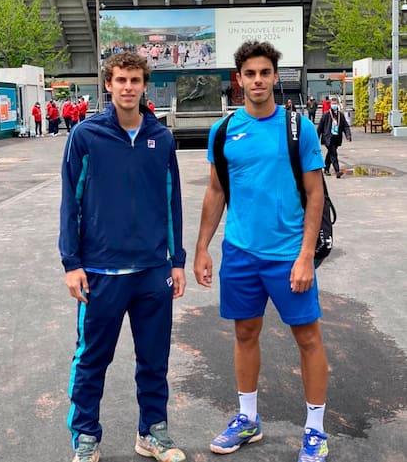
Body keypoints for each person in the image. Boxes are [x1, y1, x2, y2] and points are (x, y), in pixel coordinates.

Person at [194, 40, 329, 462]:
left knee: (307, 338)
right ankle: (248, 419)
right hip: (240, 254)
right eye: (249, 73)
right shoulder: (223, 131)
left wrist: (305, 254)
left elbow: (315, 194)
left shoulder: (298, 128)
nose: (257, 80)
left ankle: (315, 430)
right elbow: (216, 191)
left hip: (288, 254)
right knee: (244, 333)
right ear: (239, 79)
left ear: (275, 76)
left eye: (264, 72)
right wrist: (201, 248)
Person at [59, 51, 186, 462]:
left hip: (152, 271)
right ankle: (85, 437)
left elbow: (172, 202)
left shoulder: (162, 138)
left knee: (155, 360)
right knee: (92, 359)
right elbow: (70, 202)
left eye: (135, 80)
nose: (128, 87)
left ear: (145, 85)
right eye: (120, 80)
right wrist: (71, 262)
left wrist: (177, 260)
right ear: (108, 85)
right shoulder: (86, 135)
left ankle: (152, 432)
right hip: (100, 270)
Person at [317, 95, 352, 178]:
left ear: (338, 104)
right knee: (333, 154)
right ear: (330, 104)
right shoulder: (326, 115)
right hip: (328, 138)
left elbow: (345, 126)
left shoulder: (340, 115)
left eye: (335, 103)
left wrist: (348, 135)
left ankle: (326, 169)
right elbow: (320, 127)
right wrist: (316, 138)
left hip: (337, 138)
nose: (334, 105)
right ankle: (337, 171)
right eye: (333, 103)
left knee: (330, 153)